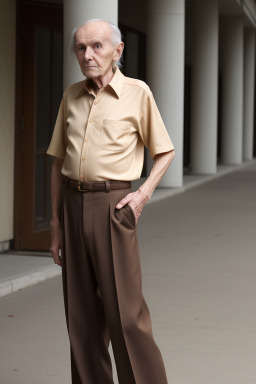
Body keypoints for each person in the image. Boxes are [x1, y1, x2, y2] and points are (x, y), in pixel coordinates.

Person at [47, 18, 175, 384]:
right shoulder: (71, 95)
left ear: (118, 51)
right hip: (72, 206)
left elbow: (164, 151)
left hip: (115, 206)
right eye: (81, 48)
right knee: (81, 321)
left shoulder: (138, 93)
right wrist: (55, 225)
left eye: (97, 46)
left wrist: (143, 194)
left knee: (127, 317)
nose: (88, 55)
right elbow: (58, 163)